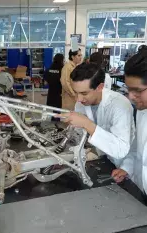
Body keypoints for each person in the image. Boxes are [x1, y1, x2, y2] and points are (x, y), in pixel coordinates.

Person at [58, 62, 135, 167]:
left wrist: (87, 124)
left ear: (100, 87)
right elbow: (81, 134)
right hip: (100, 158)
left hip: (122, 164)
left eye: (84, 93)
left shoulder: (120, 105)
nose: (78, 99)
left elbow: (120, 149)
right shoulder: (81, 103)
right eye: (76, 92)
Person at [112, 46, 147, 195]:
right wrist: (127, 167)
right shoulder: (141, 111)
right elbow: (138, 150)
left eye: (137, 90)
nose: (131, 97)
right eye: (128, 89)